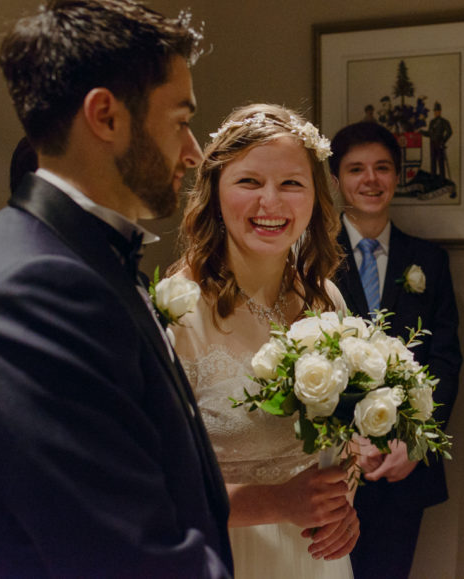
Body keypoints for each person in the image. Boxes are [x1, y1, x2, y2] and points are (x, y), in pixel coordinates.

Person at [0, 0, 233, 576]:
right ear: (106, 116)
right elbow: (125, 560)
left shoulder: (76, 258)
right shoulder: (32, 293)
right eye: (181, 121)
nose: (192, 153)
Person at [170, 104, 358, 578]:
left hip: (313, 557)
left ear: (315, 198)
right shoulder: (177, 313)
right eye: (249, 182)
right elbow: (154, 488)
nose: (271, 203)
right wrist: (276, 502)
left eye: (292, 184)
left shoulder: (325, 300)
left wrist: (341, 504)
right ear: (214, 192)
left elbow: (348, 438)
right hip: (220, 556)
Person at [328, 121, 462, 579]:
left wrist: (415, 440)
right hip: (329, 469)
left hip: (403, 468)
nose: (371, 180)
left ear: (398, 176)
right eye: (356, 169)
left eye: (382, 168)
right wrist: (348, 445)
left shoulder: (429, 260)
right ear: (336, 179)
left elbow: (445, 358)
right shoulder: (311, 256)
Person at [427, 102, 452, 179]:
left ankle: (442, 180)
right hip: (432, 144)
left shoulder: (444, 121)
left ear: (440, 111)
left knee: (441, 163)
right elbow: (429, 133)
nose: (436, 112)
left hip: (439, 144)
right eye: (435, 111)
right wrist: (421, 132)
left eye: (437, 111)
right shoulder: (432, 122)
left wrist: (443, 141)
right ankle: (433, 179)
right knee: (433, 162)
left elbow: (449, 132)